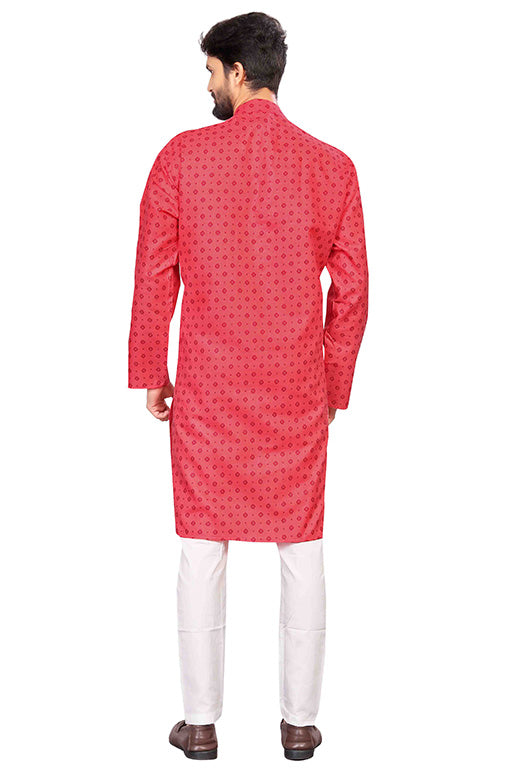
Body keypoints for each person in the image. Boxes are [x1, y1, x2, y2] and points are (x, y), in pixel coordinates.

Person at [128, 11, 369, 761]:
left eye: (211, 71)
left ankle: (200, 723)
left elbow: (154, 274)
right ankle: (298, 724)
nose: (207, 85)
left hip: (208, 387)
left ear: (238, 72)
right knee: (302, 544)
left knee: (202, 546)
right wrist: (333, 385)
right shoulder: (331, 166)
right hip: (296, 387)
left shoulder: (181, 157)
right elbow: (354, 291)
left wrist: (152, 372)